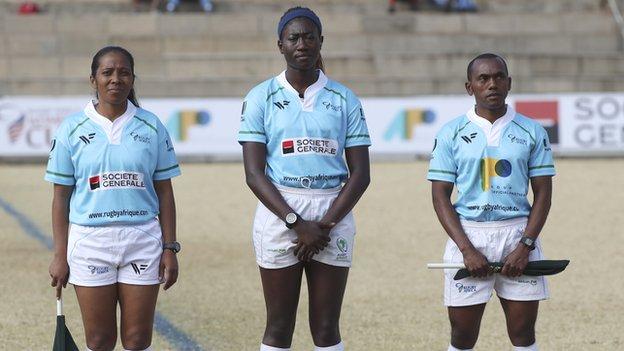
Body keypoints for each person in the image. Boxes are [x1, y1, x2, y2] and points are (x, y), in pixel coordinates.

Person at [238, 7, 371, 351]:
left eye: (309, 36)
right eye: (293, 37)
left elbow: (361, 174)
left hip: (332, 213)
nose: (301, 44)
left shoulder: (344, 98)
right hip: (280, 210)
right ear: (279, 45)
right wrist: (297, 223)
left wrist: (323, 226)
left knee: (326, 328)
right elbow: (254, 174)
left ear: (321, 42)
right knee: (278, 327)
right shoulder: (260, 97)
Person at [46, 46, 181, 351]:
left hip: (142, 239)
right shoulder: (71, 128)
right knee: (99, 340)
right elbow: (60, 198)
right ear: (93, 79)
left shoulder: (151, 125)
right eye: (107, 72)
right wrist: (59, 254)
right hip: (90, 242)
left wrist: (170, 247)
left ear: (133, 79)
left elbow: (165, 191)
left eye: (124, 72)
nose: (115, 79)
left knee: (137, 340)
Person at [427, 53, 555, 351]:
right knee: (462, 336)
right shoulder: (451, 132)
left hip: (517, 235)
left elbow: (544, 194)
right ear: (469, 87)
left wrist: (525, 246)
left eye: (499, 77)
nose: (492, 83)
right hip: (468, 235)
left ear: (509, 83)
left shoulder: (532, 130)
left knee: (523, 334)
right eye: (483, 78)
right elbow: (440, 195)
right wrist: (467, 249)